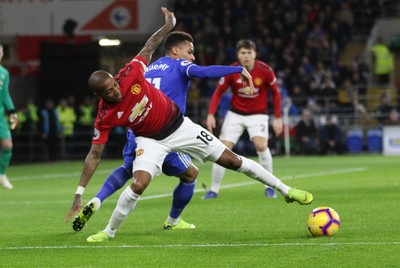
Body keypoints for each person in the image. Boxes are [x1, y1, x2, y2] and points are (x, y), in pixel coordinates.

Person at [65, 7, 313, 243]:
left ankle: (285, 190)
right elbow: (94, 153)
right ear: (100, 96)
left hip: (181, 127)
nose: (117, 92)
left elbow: (150, 46)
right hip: (149, 140)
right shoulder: (104, 115)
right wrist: (79, 192)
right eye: (109, 92)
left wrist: (167, 27)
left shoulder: (130, 73)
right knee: (139, 183)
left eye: (115, 86)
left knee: (232, 160)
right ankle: (108, 232)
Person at [71, 30, 252, 232]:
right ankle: (172, 221)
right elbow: (203, 72)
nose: (192, 57)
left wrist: (80, 192)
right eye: (189, 52)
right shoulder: (180, 65)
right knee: (191, 174)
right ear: (175, 51)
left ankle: (97, 199)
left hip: (137, 132)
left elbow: (95, 152)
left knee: (128, 169)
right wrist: (236, 70)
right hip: (166, 130)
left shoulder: (148, 69)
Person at [203, 39, 283, 199]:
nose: (246, 56)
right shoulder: (232, 70)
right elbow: (218, 92)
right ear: (238, 55)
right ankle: (213, 189)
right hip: (236, 114)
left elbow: (275, 93)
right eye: (242, 53)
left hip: (258, 114)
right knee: (222, 149)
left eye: (249, 52)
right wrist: (211, 114)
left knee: (261, 146)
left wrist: (278, 117)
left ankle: (269, 187)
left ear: (255, 54)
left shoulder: (265, 70)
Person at [0, 44, 18, 189]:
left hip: (0, 116)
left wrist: (12, 110)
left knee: (7, 145)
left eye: (0, 51)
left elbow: (5, 94)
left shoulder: (4, 73)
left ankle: (2, 174)